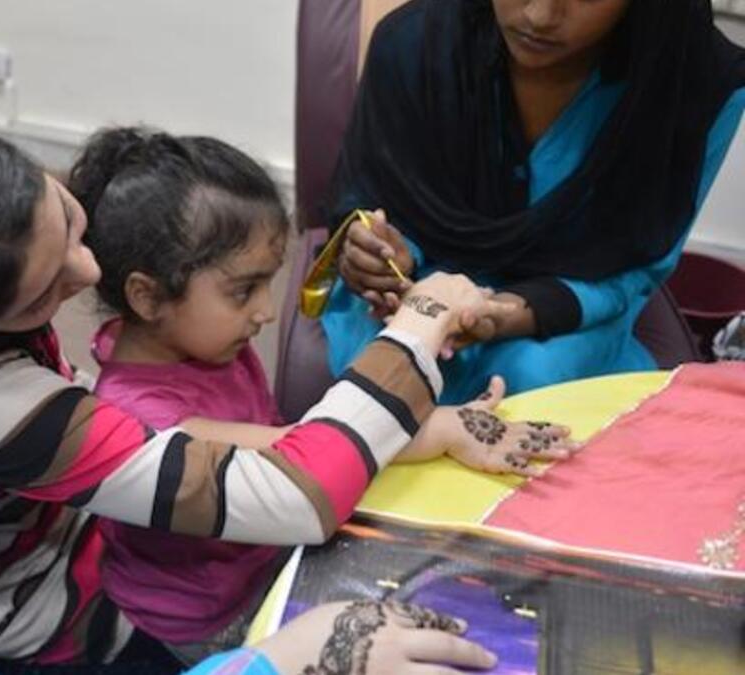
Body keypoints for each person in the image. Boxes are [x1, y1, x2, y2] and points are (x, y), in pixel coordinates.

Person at [0, 116, 511, 669]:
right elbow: (298, 496)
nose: (89, 271)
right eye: (43, 294)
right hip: (48, 611)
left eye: (67, 220)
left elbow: (206, 443)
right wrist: (418, 328)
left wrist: (425, 424)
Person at [71, 127, 574, 662]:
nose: (265, 312)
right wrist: (442, 426)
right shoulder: (139, 418)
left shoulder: (207, 343)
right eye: (243, 291)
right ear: (147, 296)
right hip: (208, 620)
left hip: (267, 555)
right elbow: (297, 451)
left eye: (268, 284)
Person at [323, 0, 745, 403]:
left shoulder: (694, 88)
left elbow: (637, 262)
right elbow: (374, 201)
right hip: (422, 283)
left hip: (574, 296)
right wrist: (385, 254)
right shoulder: (412, 44)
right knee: (394, 377)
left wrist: (513, 313)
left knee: (530, 380)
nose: (540, 16)